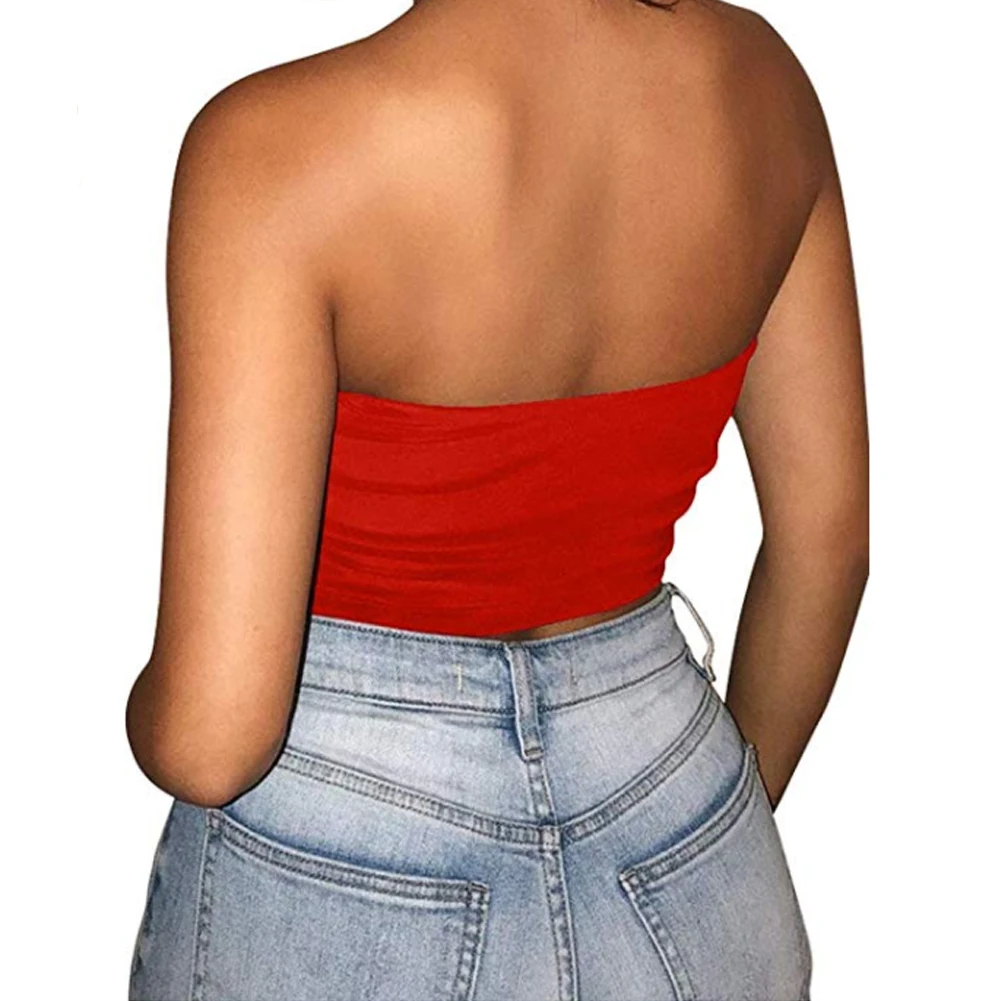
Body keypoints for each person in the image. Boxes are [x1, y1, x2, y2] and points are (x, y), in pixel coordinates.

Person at [124, 0, 868, 997]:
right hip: (682, 828)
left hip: (338, 846)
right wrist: (692, 813)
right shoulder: (761, 87)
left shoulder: (277, 149)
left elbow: (212, 739)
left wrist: (145, 711)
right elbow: (827, 546)